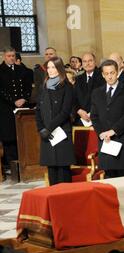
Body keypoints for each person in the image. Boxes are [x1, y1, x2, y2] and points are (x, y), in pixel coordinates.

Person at [90, 60, 124, 178]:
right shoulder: (97, 93)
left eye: (112, 73)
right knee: (109, 180)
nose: (110, 76)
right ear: (103, 75)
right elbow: (94, 116)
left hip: (122, 139)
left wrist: (113, 131)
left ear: (118, 72)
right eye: (107, 74)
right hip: (105, 141)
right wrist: (101, 133)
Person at [35, 57, 75, 186]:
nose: (51, 70)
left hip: (61, 132)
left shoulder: (67, 87)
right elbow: (38, 110)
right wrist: (41, 129)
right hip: (47, 134)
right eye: (49, 67)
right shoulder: (43, 87)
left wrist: (49, 128)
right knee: (51, 167)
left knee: (63, 169)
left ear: (60, 69)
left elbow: (65, 112)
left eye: (54, 67)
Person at [0, 47, 33, 172]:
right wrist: (13, 100)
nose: (11, 58)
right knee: (9, 136)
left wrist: (24, 98)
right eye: (9, 56)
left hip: (22, 107)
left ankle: (25, 163)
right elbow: (1, 91)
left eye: (13, 55)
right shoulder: (0, 70)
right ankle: (11, 165)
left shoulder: (22, 69)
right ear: (4, 57)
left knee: (23, 135)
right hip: (6, 108)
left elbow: (28, 86)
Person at [73, 53, 105, 125]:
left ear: (95, 62)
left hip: (98, 119)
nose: (87, 64)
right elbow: (73, 98)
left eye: (90, 61)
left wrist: (92, 114)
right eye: (85, 61)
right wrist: (79, 110)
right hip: (80, 118)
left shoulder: (103, 77)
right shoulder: (78, 79)